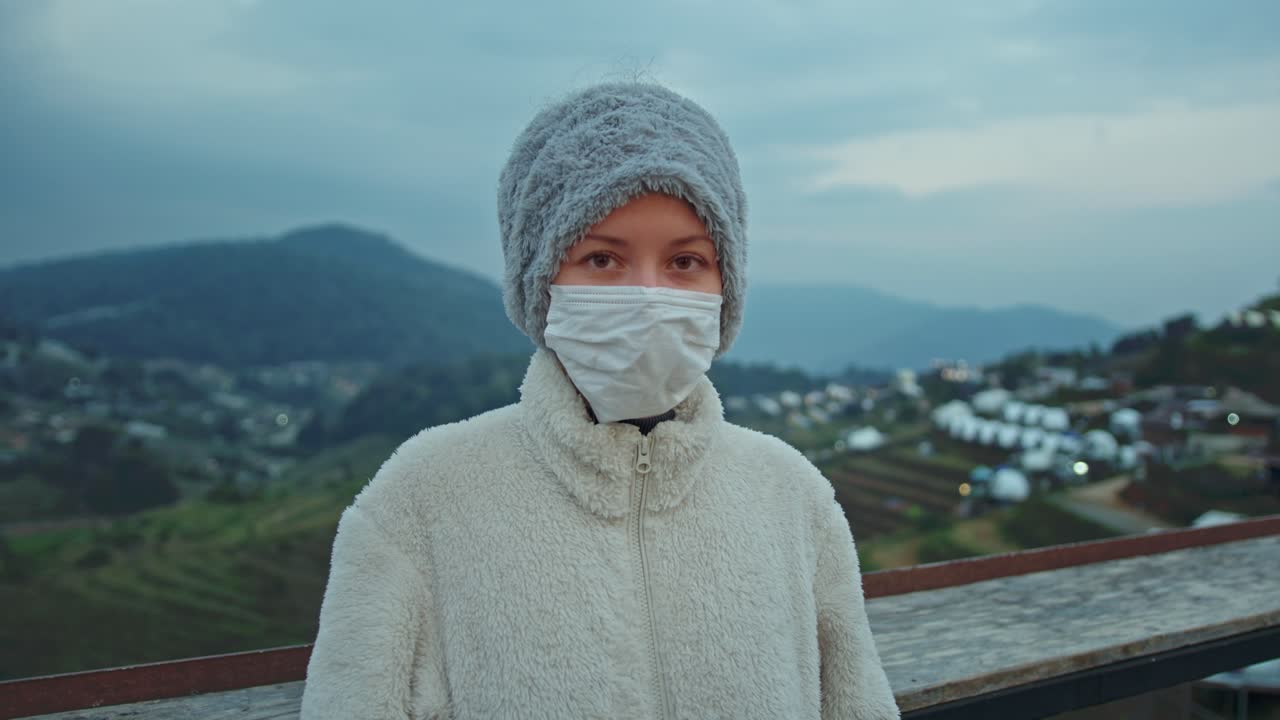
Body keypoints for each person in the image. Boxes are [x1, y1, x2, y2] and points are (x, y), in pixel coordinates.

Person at [300, 81, 900, 720]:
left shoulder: (789, 494)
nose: (646, 295)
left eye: (686, 261)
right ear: (539, 280)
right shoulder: (421, 498)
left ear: (727, 283)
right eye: (603, 259)